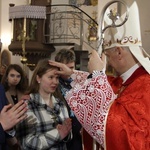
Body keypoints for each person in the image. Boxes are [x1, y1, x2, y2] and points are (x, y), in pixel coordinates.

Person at [48, 1, 150, 150]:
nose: (106, 62)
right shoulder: (126, 81)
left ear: (119, 53)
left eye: (107, 55)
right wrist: (71, 74)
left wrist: (97, 74)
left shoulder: (145, 86)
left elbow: (120, 132)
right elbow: (109, 86)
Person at [16, 58, 72, 150]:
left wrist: (66, 133)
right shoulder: (27, 105)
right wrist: (58, 134)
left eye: (57, 78)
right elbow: (26, 143)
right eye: (50, 77)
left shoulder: (60, 103)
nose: (55, 82)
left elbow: (68, 134)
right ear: (38, 78)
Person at [54, 49, 83, 150]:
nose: (68, 71)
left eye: (71, 68)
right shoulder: (54, 85)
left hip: (78, 133)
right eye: (64, 68)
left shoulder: (79, 83)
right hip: (62, 133)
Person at [0, 83, 28, 150]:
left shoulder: (1, 88)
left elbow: (5, 120)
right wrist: (2, 125)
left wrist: (13, 140)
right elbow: (3, 123)